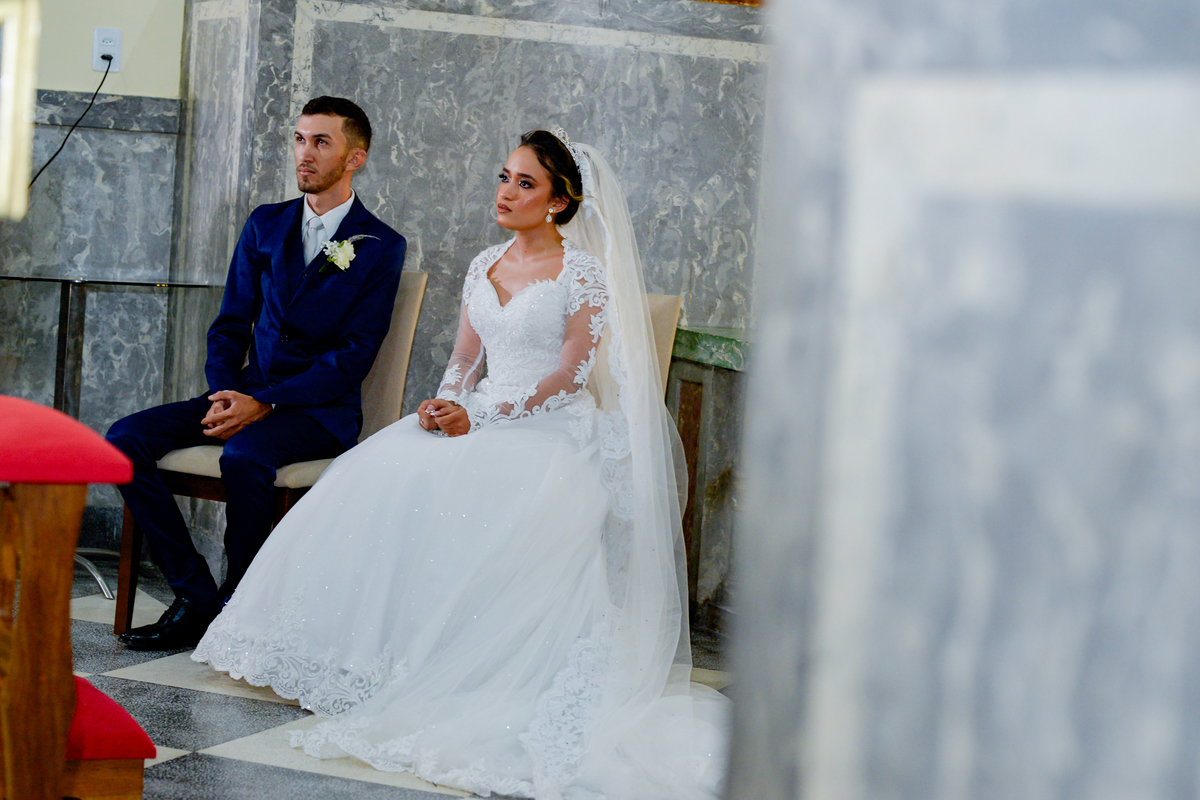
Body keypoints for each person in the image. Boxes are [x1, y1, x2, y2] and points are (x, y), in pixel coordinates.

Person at [193, 129, 728, 799]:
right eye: (504, 177)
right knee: (380, 472)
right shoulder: (485, 263)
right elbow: (465, 359)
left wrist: (487, 415)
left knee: (485, 491)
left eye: (525, 183)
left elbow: (569, 375)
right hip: (475, 412)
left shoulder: (582, 273)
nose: (506, 192)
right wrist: (445, 401)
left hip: (549, 426)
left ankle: (453, 667)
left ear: (558, 202)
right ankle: (361, 660)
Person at [106, 96, 406, 651]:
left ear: (355, 157)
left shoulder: (381, 245)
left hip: (318, 412)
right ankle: (197, 596)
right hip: (242, 391)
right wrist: (226, 391)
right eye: (299, 139)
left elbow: (354, 355)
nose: (304, 153)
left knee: (245, 455)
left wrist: (267, 402)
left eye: (321, 142)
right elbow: (229, 325)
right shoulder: (264, 223)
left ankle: (241, 607)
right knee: (124, 439)